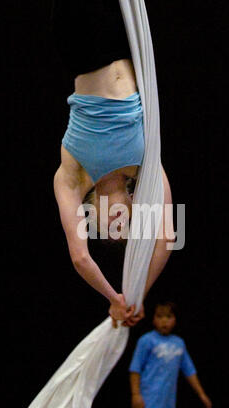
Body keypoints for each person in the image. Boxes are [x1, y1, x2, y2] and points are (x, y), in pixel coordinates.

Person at [51, 1, 176, 328]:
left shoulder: (73, 178)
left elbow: (80, 258)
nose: (123, 221)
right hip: (124, 41)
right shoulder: (144, 168)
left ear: (94, 215)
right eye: (128, 226)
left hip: (82, 47)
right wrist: (139, 295)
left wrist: (116, 299)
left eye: (113, 228)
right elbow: (166, 236)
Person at [129, 301, 213, 408]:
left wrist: (202, 394)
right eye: (160, 317)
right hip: (148, 402)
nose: (164, 321)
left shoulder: (179, 343)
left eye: (168, 317)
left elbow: (189, 371)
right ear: (153, 319)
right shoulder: (146, 340)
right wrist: (136, 395)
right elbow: (135, 369)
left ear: (175, 319)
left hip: (168, 405)